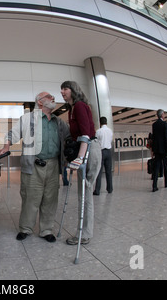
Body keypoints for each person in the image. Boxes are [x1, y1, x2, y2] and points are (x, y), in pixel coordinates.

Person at [0, 91, 71, 243]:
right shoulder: (27, 119)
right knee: (30, 198)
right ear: (40, 102)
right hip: (33, 164)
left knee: (50, 199)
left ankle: (46, 230)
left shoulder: (59, 122)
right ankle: (26, 228)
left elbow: (70, 137)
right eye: (49, 96)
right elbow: (12, 134)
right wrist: (6, 146)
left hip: (53, 164)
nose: (53, 98)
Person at [60, 81, 101, 246]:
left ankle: (84, 234)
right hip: (85, 150)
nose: (62, 92)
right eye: (61, 89)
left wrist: (79, 157)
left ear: (73, 90)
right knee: (84, 193)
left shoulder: (79, 106)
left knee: (85, 194)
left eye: (66, 89)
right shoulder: (71, 109)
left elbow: (86, 134)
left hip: (89, 150)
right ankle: (84, 232)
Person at [151, 109, 167, 192]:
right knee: (165, 166)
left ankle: (154, 186)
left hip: (157, 150)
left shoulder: (154, 125)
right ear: (162, 115)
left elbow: (154, 138)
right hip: (163, 150)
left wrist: (153, 150)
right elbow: (166, 138)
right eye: (164, 113)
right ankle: (166, 182)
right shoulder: (164, 124)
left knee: (156, 168)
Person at [94, 116, 113, 195]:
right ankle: (110, 189)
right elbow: (111, 140)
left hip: (101, 151)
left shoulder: (98, 131)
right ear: (106, 122)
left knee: (99, 171)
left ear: (100, 123)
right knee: (109, 171)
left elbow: (96, 141)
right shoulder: (110, 131)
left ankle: (97, 190)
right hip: (108, 151)